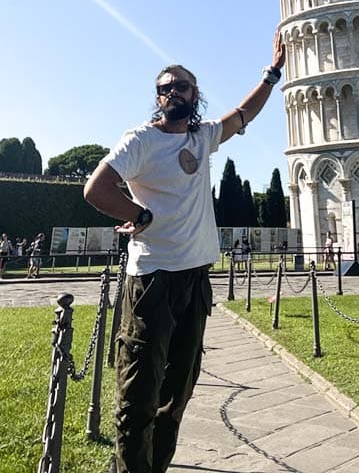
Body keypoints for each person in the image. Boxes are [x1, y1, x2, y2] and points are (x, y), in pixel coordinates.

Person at [84, 31, 285, 473]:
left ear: (196, 95)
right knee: (137, 398)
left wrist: (272, 74)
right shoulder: (140, 141)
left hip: (195, 281)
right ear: (157, 99)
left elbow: (243, 114)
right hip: (152, 281)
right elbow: (96, 188)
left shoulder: (203, 137)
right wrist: (139, 214)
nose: (172, 91)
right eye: (164, 87)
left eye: (181, 85)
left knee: (177, 394)